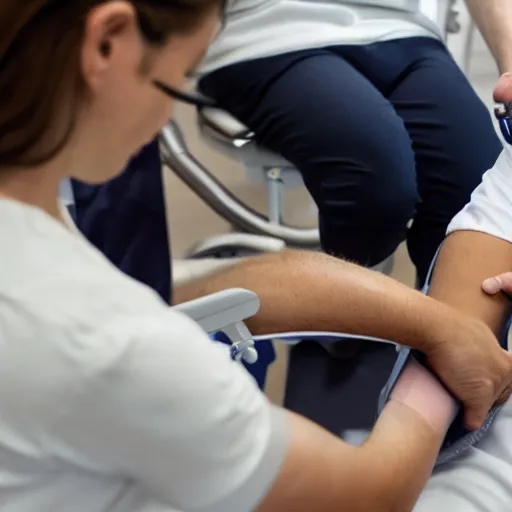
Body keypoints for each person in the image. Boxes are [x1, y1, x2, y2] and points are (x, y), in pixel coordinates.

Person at [1, 1, 512, 511]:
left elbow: (172, 296)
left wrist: (435, 325)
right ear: (107, 44)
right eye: (179, 79)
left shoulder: (41, 227)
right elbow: (371, 493)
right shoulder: (106, 344)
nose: (164, 113)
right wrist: (437, 368)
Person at [197, 0, 502, 287]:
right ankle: (343, 337)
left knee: (478, 189)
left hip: (405, 32)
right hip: (269, 35)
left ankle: (454, 335)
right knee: (374, 178)